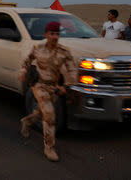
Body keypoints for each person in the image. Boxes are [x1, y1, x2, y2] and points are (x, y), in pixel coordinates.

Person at [18, 21, 78, 162]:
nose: (55, 36)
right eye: (52, 34)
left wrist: (67, 86)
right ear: (46, 34)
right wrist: (23, 70)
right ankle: (49, 148)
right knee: (50, 116)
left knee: (42, 112)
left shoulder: (64, 52)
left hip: (54, 88)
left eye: (57, 34)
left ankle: (27, 122)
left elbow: (73, 70)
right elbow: (27, 60)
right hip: (39, 86)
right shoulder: (38, 48)